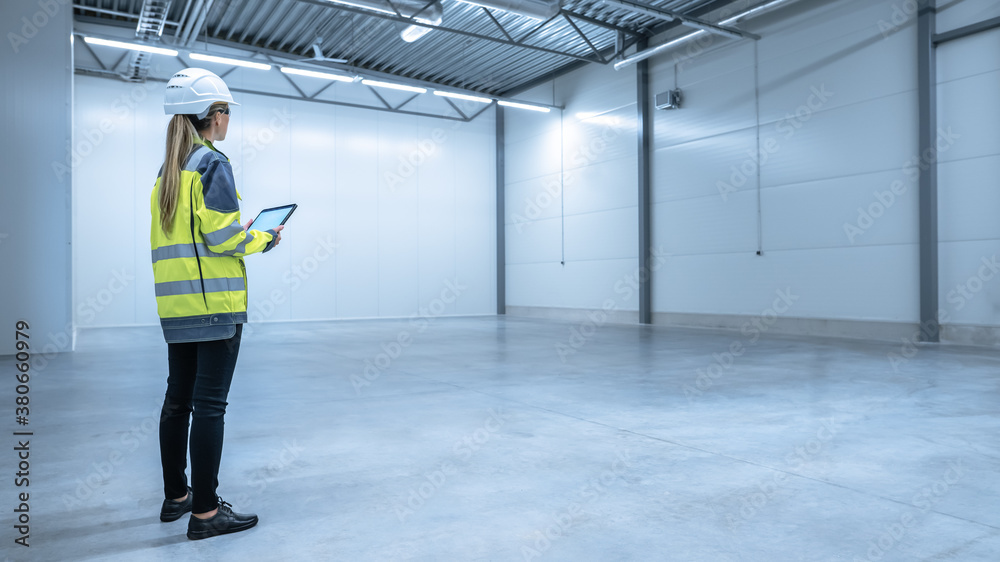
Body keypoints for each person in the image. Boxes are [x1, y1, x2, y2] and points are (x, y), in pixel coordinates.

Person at [150, 67, 284, 540]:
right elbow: (225, 237)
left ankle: (177, 496)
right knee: (210, 407)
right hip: (215, 306)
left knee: (177, 401)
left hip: (178, 307)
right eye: (225, 112)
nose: (228, 121)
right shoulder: (211, 163)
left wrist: (235, 231)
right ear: (214, 115)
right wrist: (264, 236)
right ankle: (206, 514)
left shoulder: (168, 170)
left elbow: (196, 237)